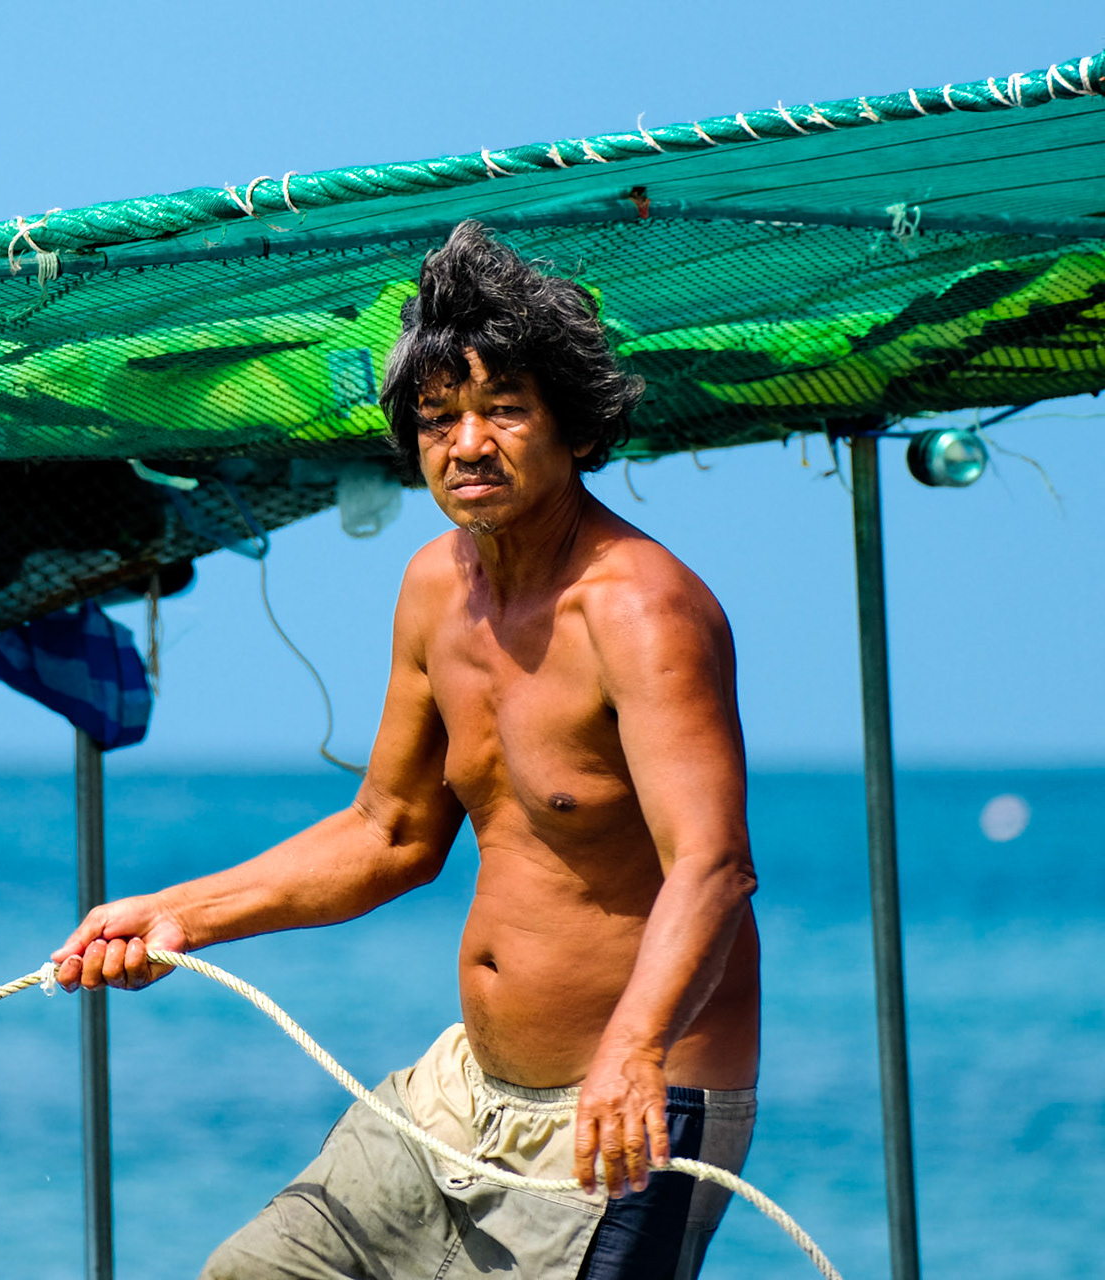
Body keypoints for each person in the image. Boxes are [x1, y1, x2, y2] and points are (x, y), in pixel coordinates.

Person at [51, 222, 761, 1280]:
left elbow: (712, 868)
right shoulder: (438, 585)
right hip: (460, 1089)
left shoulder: (641, 609)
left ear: (571, 425)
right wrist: (179, 915)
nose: (467, 443)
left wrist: (635, 1046)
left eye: (504, 411)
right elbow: (390, 834)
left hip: (625, 1109)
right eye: (438, 419)